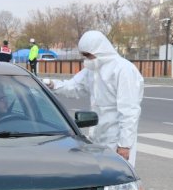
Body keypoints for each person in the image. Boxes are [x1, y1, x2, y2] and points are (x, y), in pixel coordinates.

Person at [43, 30, 144, 166]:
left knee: (117, 178)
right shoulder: (92, 70)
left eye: (88, 55)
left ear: (100, 50)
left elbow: (129, 111)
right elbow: (74, 87)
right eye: (84, 56)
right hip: (98, 134)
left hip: (117, 137)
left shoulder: (123, 69)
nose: (86, 60)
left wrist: (125, 145)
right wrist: (52, 85)